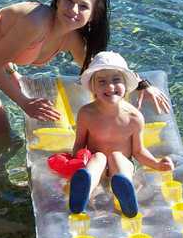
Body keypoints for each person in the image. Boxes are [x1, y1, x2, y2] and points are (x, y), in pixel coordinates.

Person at [0, 0, 170, 233]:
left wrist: (143, 84)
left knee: (7, 142)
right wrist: (25, 102)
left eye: (83, 6)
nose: (73, 9)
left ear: (93, 16)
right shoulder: (37, 20)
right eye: (68, 0)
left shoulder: (71, 38)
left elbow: (103, 69)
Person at [68, 51, 174, 218]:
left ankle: (124, 189)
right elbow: (79, 144)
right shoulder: (86, 114)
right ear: (93, 88)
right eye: (102, 82)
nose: (110, 87)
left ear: (126, 85)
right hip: (97, 163)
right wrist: (77, 162)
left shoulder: (134, 117)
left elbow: (138, 151)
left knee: (117, 157)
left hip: (123, 163)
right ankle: (83, 192)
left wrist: (156, 164)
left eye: (116, 80)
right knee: (98, 158)